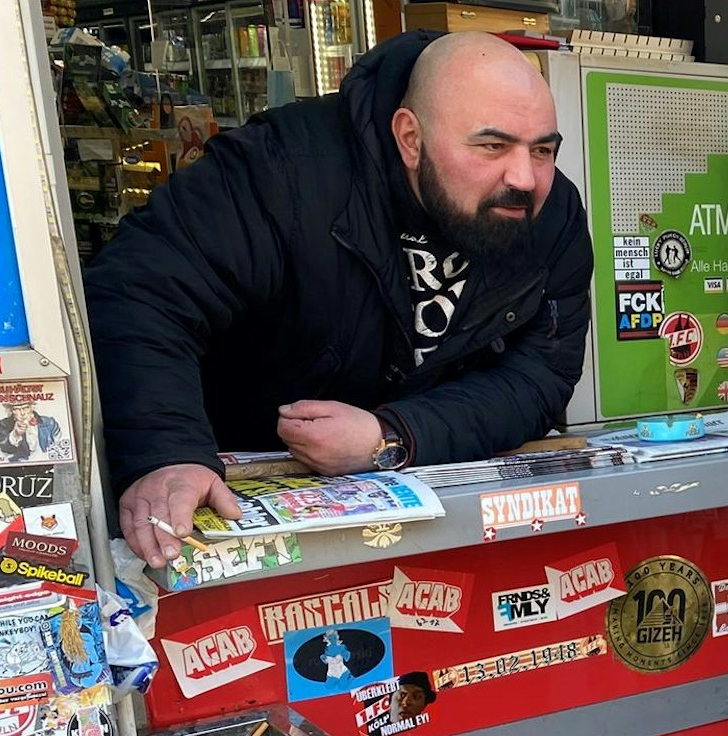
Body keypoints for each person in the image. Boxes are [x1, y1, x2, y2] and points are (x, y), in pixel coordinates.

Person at [86, 31, 593, 568]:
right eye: (492, 146)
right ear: (410, 137)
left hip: (437, 519)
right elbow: (140, 292)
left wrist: (394, 435)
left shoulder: (552, 213)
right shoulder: (281, 169)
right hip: (233, 504)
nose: (524, 177)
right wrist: (165, 452)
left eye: (542, 149)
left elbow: (542, 373)